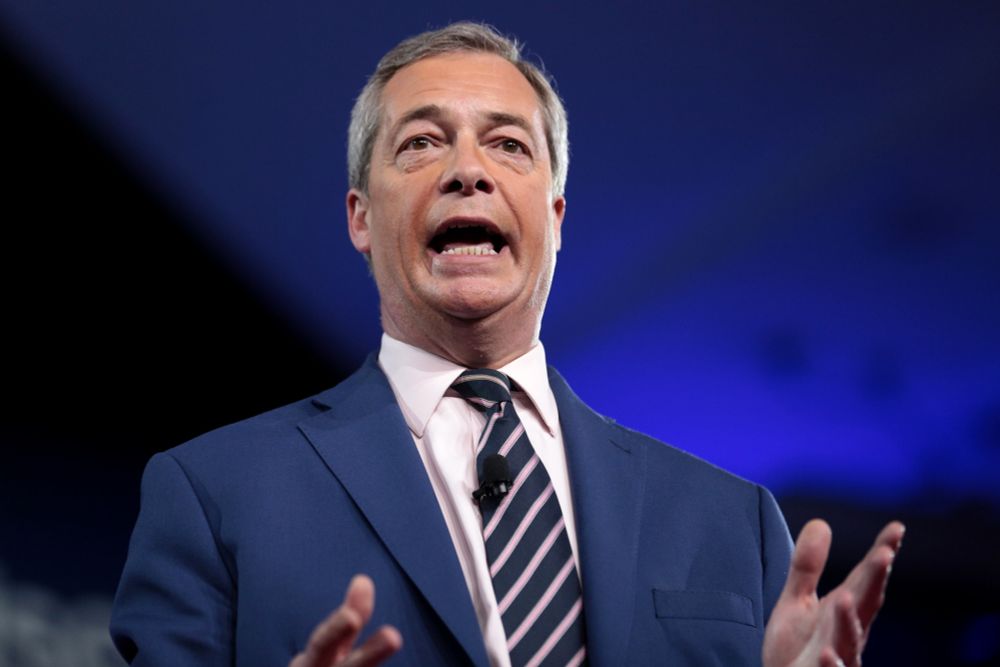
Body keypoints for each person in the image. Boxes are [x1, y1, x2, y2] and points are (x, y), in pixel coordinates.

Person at [110, 22, 904, 667]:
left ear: (555, 219)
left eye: (509, 145)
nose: (468, 170)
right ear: (360, 217)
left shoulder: (734, 523)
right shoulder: (213, 496)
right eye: (422, 142)